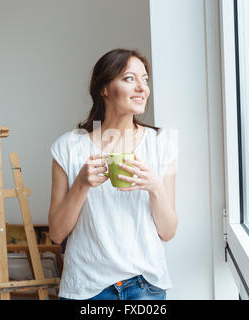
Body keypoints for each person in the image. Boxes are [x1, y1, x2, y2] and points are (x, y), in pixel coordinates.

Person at [48, 48, 178, 300]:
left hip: (146, 286)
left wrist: (155, 187)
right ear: (103, 89)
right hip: (86, 287)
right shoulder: (68, 147)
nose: (142, 88)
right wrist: (81, 185)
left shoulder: (162, 144)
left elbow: (168, 231)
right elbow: (56, 233)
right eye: (130, 78)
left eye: (145, 79)